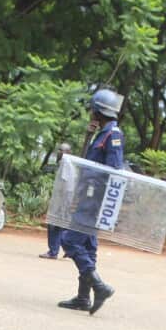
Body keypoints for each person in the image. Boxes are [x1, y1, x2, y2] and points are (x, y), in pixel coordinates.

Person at [57, 89, 122, 314]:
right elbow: (88, 163)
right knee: (88, 246)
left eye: (92, 110)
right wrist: (87, 136)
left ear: (98, 111)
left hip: (95, 200)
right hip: (90, 196)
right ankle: (83, 298)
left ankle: (99, 286)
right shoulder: (101, 134)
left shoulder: (113, 135)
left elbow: (113, 170)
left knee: (70, 240)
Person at [40, 142, 71, 260]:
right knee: (60, 226)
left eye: (61, 150)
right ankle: (68, 250)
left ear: (68, 153)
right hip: (62, 200)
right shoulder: (65, 163)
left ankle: (53, 252)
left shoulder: (66, 164)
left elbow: (66, 186)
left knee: (54, 225)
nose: (59, 152)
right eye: (59, 150)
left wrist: (60, 203)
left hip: (62, 201)